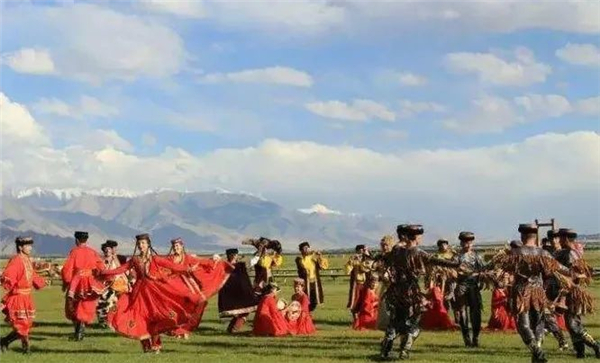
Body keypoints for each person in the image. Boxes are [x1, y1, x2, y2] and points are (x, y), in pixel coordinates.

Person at [100, 233, 200, 353]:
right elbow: (121, 269)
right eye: (139, 243)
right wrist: (104, 273)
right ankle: (146, 347)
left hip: (153, 292)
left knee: (155, 318)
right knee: (140, 318)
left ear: (148, 244)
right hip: (138, 293)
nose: (141, 245)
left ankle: (156, 345)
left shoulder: (155, 259)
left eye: (143, 243)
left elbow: (172, 266)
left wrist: (188, 269)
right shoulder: (135, 260)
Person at [491, 223, 575, 363]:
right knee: (537, 325)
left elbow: (495, 268)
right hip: (538, 294)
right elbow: (563, 269)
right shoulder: (544, 253)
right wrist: (578, 270)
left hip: (521, 293)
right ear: (535, 236)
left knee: (523, 325)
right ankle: (537, 356)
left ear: (522, 235)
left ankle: (537, 352)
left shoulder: (515, 252)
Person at [380, 224, 461, 360]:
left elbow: (383, 257)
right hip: (411, 293)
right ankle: (404, 351)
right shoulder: (418, 252)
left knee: (395, 322)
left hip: (395, 292)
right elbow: (437, 261)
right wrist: (455, 263)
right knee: (413, 325)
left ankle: (385, 350)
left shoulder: (397, 251)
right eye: (420, 236)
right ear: (416, 237)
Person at [166, 237, 233, 339]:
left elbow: (202, 262)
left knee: (198, 303)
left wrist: (214, 261)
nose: (176, 248)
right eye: (174, 246)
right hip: (175, 287)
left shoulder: (188, 258)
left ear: (182, 246)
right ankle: (173, 327)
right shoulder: (170, 259)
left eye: (177, 246)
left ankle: (186, 327)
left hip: (189, 286)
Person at [554, 228, 600, 359]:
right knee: (571, 323)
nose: (559, 240)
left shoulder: (571, 254)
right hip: (570, 291)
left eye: (561, 238)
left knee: (573, 324)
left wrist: (565, 290)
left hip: (572, 293)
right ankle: (580, 352)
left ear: (566, 239)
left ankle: (595, 345)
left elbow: (575, 276)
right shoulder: (568, 252)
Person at [0, 237, 46, 353]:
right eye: (28, 245)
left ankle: (4, 341)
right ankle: (26, 349)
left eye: (31, 245)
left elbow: (33, 276)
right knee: (22, 324)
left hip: (27, 297)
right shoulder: (16, 261)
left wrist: (41, 282)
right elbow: (9, 276)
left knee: (27, 324)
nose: (30, 248)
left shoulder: (27, 260)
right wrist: (9, 282)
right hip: (18, 297)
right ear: (20, 247)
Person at [61, 231, 106, 341]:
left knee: (73, 306)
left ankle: (79, 332)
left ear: (76, 240)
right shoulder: (92, 252)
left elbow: (67, 269)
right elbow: (101, 267)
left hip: (77, 282)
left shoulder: (74, 252)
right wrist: (96, 276)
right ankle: (80, 331)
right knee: (85, 305)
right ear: (87, 240)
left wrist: (67, 281)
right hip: (89, 282)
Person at [453, 231, 485, 347]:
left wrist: (478, 276)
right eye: (465, 242)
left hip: (473, 286)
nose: (467, 244)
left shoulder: (476, 256)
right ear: (461, 243)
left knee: (475, 312)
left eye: (470, 242)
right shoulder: (456, 256)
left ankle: (475, 338)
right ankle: (466, 339)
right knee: (462, 313)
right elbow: (452, 271)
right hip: (461, 286)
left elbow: (483, 270)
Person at [218, 248, 259, 333]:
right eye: (233, 255)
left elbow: (252, 262)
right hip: (236, 292)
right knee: (244, 310)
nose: (235, 256)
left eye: (235, 255)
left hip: (240, 292)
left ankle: (232, 328)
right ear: (230, 256)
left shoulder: (237, 265)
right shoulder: (227, 266)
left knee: (243, 310)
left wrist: (259, 253)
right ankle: (234, 328)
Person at [542, 229, 569, 350]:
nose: (553, 241)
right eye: (551, 238)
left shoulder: (565, 254)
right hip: (549, 287)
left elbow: (570, 273)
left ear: (559, 239)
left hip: (561, 288)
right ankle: (561, 340)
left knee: (568, 319)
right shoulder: (549, 253)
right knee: (547, 314)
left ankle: (564, 341)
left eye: (555, 238)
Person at [96, 240, 129, 328]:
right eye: (106, 250)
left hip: (118, 285)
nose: (109, 251)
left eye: (110, 249)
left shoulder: (120, 259)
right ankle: (104, 322)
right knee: (103, 304)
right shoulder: (101, 261)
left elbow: (122, 271)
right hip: (105, 286)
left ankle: (115, 321)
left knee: (117, 305)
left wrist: (127, 282)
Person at [295, 241, 329, 312]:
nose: (307, 249)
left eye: (308, 248)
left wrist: (320, 257)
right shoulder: (299, 259)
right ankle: (305, 314)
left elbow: (324, 266)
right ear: (301, 250)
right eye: (305, 248)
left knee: (315, 300)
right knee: (305, 300)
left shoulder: (313, 258)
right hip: (305, 283)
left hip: (314, 282)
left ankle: (308, 313)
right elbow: (301, 267)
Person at [374, 235, 396, 331]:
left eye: (386, 245)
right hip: (384, 284)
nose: (384, 247)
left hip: (394, 284)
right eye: (383, 245)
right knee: (383, 304)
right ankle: (386, 325)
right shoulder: (380, 257)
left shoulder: (395, 256)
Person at [345, 244, 373, 311]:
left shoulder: (368, 258)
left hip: (367, 283)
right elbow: (347, 271)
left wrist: (368, 255)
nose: (361, 252)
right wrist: (351, 261)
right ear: (356, 251)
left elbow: (369, 268)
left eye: (363, 250)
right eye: (360, 251)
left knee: (367, 299)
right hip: (356, 283)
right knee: (355, 300)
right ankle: (355, 317)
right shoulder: (353, 259)